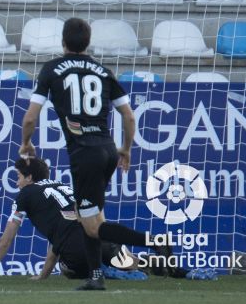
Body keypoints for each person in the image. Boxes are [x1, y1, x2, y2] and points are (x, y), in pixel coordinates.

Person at [19, 18, 169, 291]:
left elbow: (30, 118)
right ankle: (96, 277)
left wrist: (26, 143)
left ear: (63, 42)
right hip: (107, 150)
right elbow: (128, 116)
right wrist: (126, 148)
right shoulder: (103, 70)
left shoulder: (52, 69)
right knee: (92, 217)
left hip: (84, 154)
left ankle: (155, 242)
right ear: (88, 42)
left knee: (89, 225)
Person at [0, 158, 167, 282]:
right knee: (131, 261)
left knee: (66, 268)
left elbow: (6, 240)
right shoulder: (64, 187)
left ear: (29, 177)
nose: (16, 182)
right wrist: (43, 275)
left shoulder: (26, 194)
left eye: (18, 177)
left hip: (77, 253)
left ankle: (104, 272)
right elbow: (63, 231)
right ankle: (178, 270)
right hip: (102, 239)